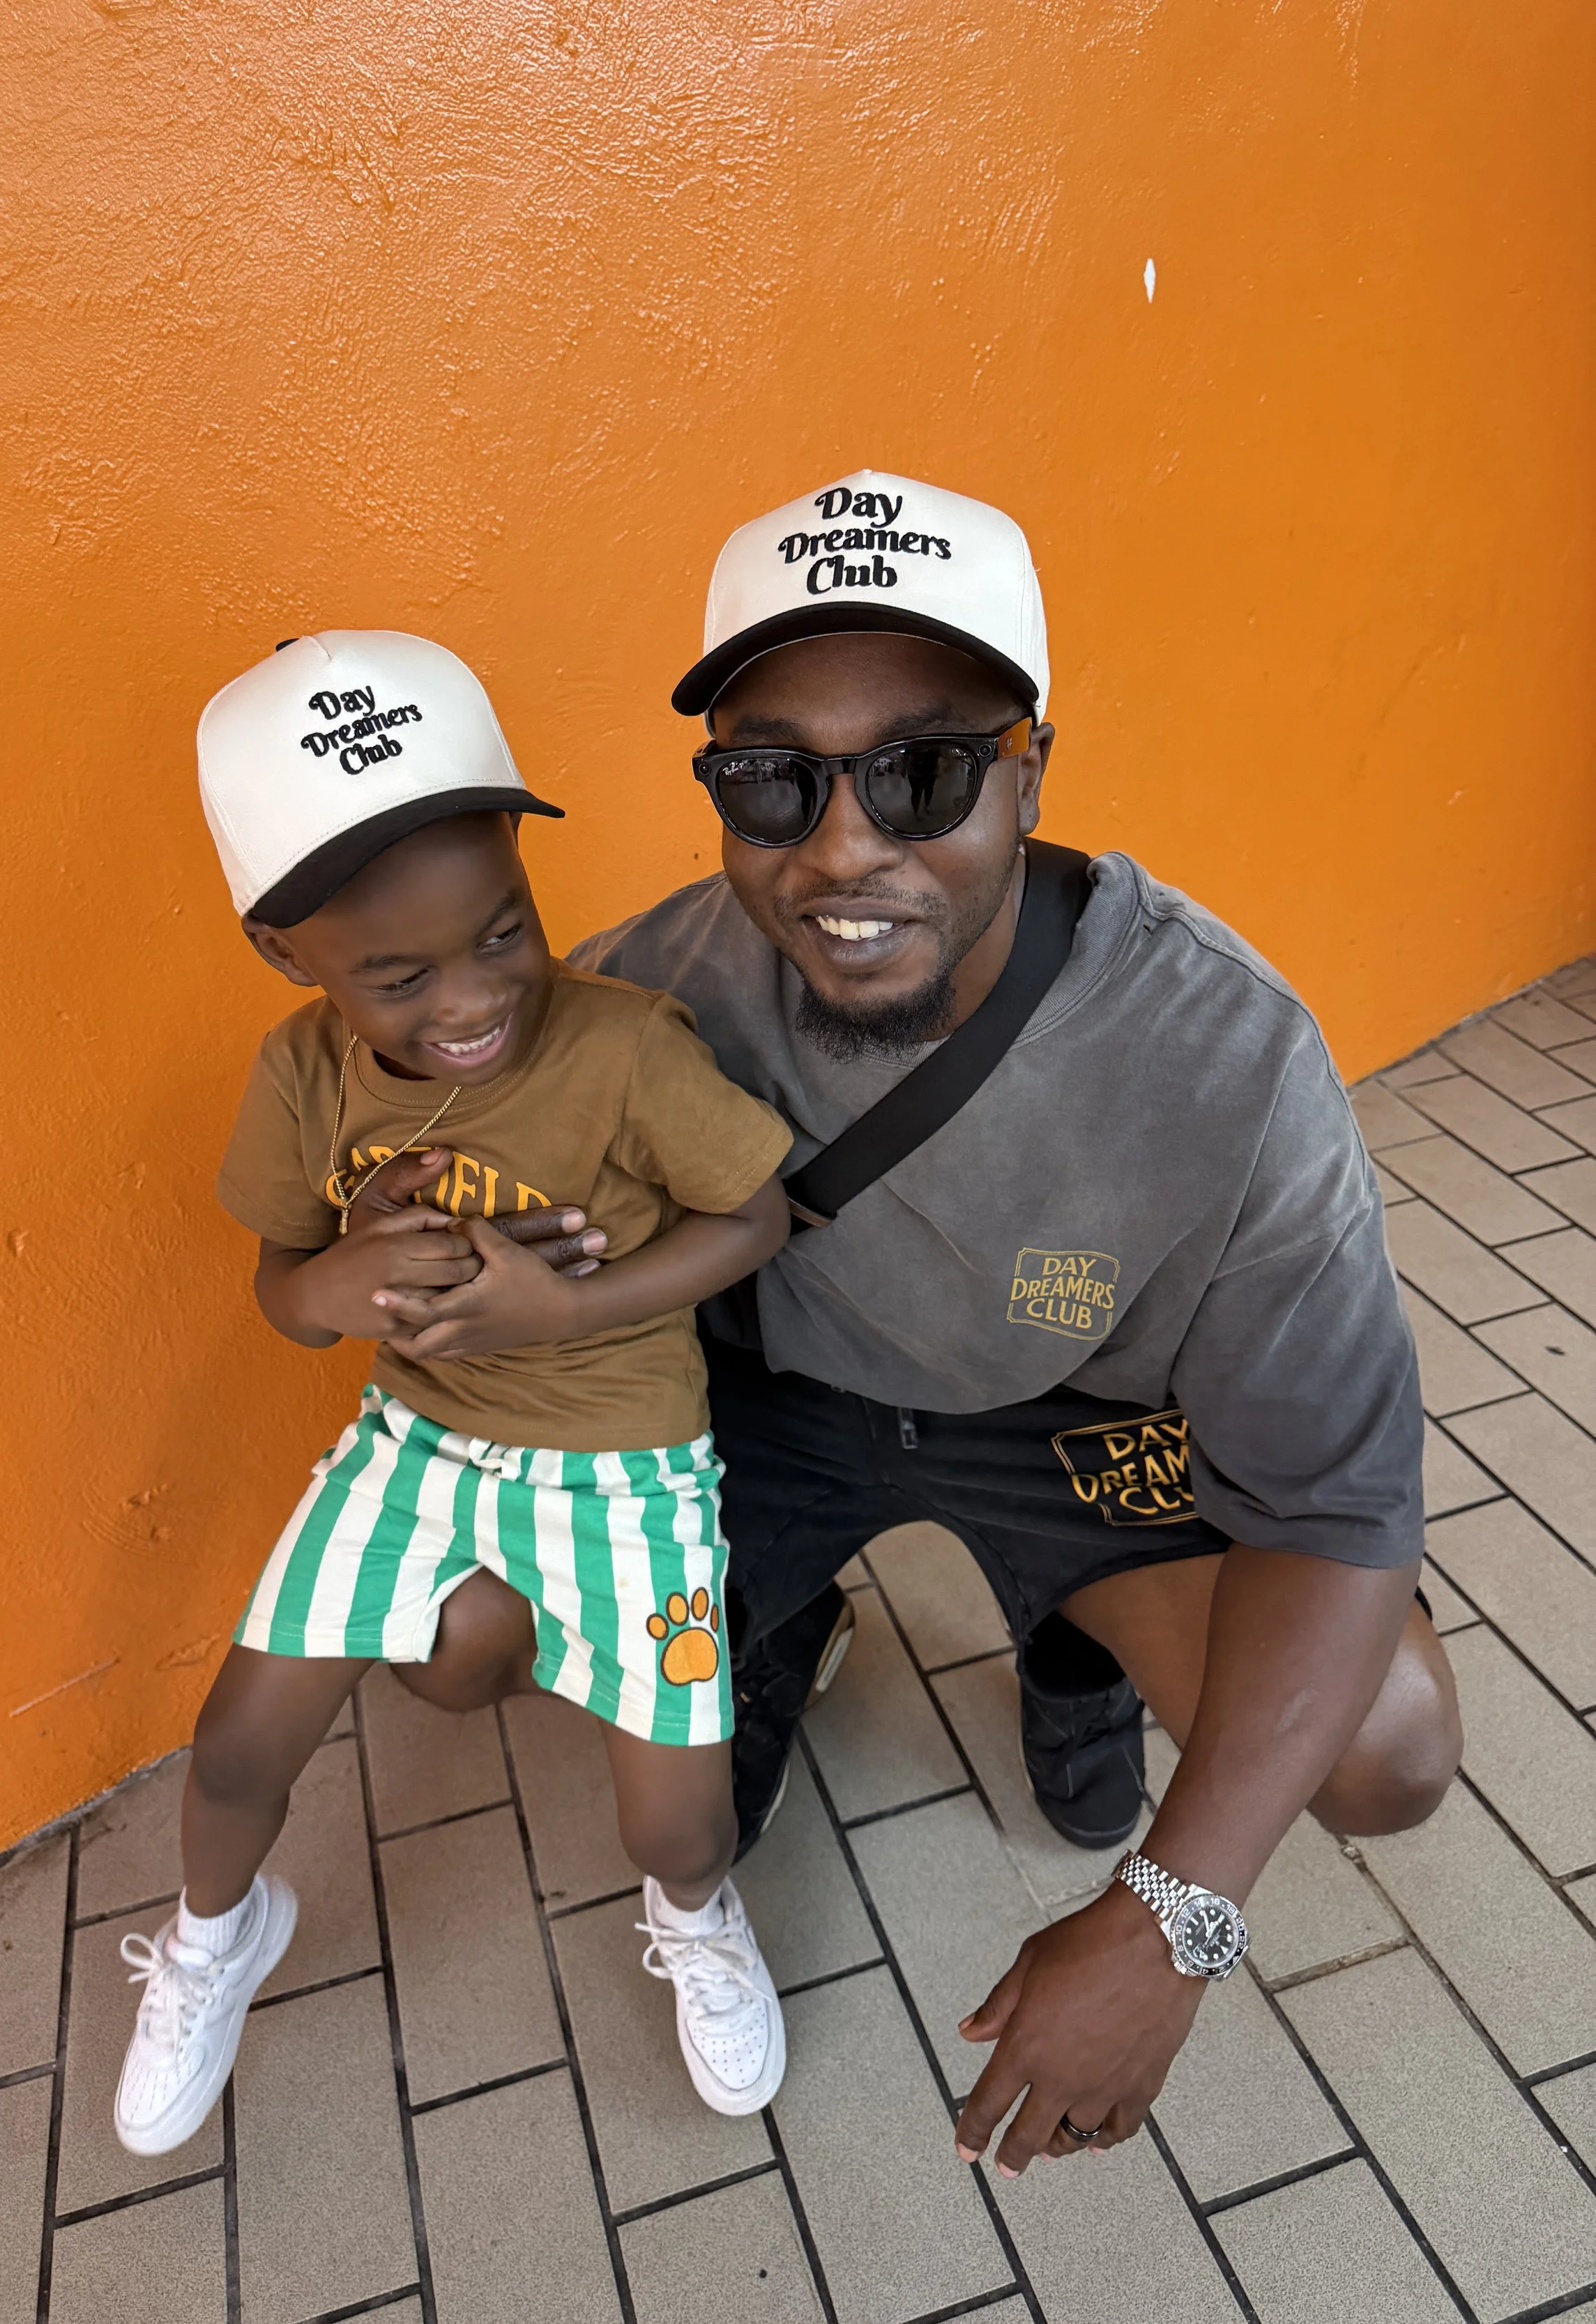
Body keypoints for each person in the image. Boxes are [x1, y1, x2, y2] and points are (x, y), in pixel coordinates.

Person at [564, 469, 1463, 2176]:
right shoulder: (643, 991)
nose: (843, 848)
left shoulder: (1222, 1054)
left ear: (1030, 771)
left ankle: (1069, 1632)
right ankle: (780, 1619)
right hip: (775, 1407)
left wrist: (1174, 1919)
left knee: (1387, 1745)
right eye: (770, 778)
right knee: (487, 1607)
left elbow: (1338, 1515)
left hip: (1068, 1435)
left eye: (923, 772)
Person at [112, 629, 794, 2156]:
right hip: (412, 1444)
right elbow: (285, 1290)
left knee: (680, 1817)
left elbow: (756, 1215)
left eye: (503, 931)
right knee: (239, 1738)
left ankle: (695, 1917)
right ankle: (217, 1934)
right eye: (400, 975)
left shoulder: (624, 1050)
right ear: (288, 954)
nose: (474, 997)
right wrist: (334, 1283)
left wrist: (569, 1307)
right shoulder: (304, 1076)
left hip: (625, 1464)